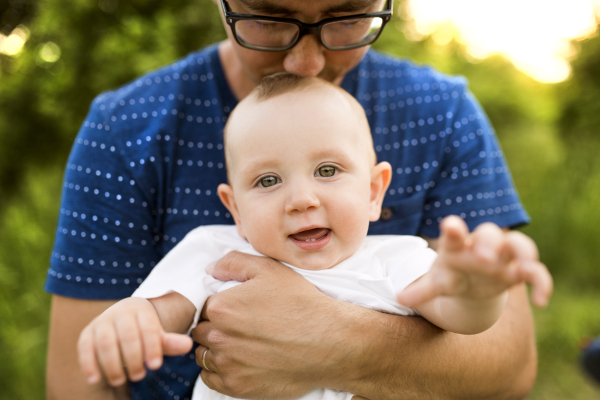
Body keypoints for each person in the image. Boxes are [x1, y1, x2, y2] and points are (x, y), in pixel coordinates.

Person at [45, 0, 546, 399]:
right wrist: (128, 323)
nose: (307, 62)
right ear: (232, 206)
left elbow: (483, 337)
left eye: (347, 15)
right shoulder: (209, 246)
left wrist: (479, 289)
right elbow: (143, 323)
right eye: (268, 17)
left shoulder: (397, 256)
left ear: (375, 191)